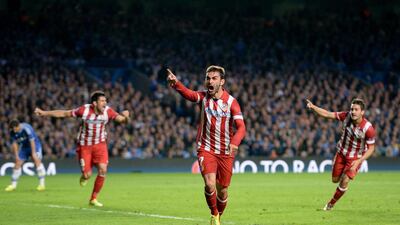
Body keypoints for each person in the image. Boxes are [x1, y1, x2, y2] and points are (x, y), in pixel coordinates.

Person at [167, 66, 246, 225]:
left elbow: (241, 127)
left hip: (225, 151)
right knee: (210, 185)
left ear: (222, 82)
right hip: (206, 148)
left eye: (214, 78)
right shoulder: (203, 98)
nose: (210, 81)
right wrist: (176, 83)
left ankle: (218, 216)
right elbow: (189, 94)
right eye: (208, 78)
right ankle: (214, 214)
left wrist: (235, 142)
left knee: (222, 190)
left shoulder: (232, 102)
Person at [34, 91, 130, 207]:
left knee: (103, 169)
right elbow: (64, 114)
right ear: (94, 103)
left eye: (105, 101)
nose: (105, 103)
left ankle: (93, 198)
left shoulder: (108, 111)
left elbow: (122, 120)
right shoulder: (84, 110)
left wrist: (126, 117)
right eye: (102, 101)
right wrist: (44, 113)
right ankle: (84, 177)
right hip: (85, 146)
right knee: (87, 175)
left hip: (100, 145)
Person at [306, 98, 376, 211]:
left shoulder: (368, 128)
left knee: (345, 180)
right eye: (352, 109)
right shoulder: (346, 116)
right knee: (335, 180)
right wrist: (314, 107)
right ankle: (341, 180)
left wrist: (358, 161)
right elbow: (328, 114)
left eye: (356, 109)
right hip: (341, 153)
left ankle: (330, 204)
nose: (353, 111)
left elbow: (371, 148)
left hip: (355, 158)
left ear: (362, 112)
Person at [5, 119, 46, 192]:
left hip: (35, 146)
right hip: (24, 148)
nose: (14, 130)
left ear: (19, 126)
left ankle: (42, 185)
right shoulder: (12, 132)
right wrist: (16, 155)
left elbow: (32, 141)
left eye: (15, 128)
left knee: (37, 161)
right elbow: (14, 144)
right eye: (13, 129)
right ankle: (13, 185)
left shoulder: (26, 128)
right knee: (17, 164)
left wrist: (33, 153)